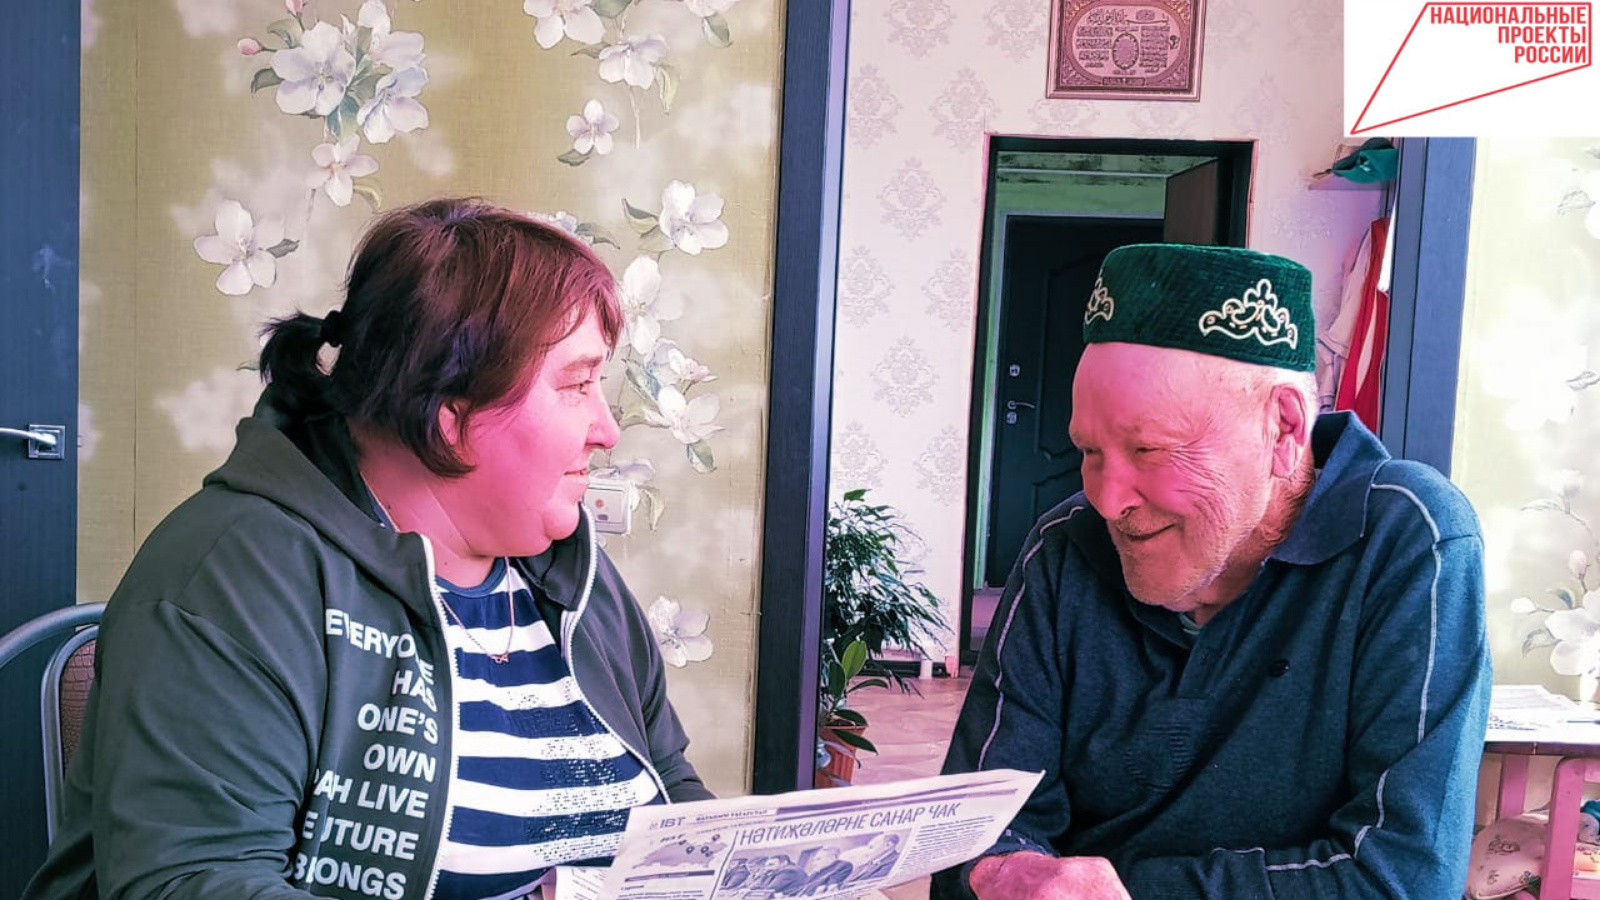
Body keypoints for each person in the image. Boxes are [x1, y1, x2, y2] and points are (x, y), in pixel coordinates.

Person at [23, 198, 711, 900]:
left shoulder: (572, 575)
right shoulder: (231, 577)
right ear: (450, 415)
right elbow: (194, 882)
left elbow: (669, 786)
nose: (607, 429)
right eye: (577, 385)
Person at [933, 244, 1491, 900]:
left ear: (1284, 429)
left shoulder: (1411, 537)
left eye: (1149, 449)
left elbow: (1404, 878)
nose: (1107, 501)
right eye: (1089, 450)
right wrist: (1002, 870)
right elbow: (980, 831)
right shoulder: (1064, 548)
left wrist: (1120, 890)